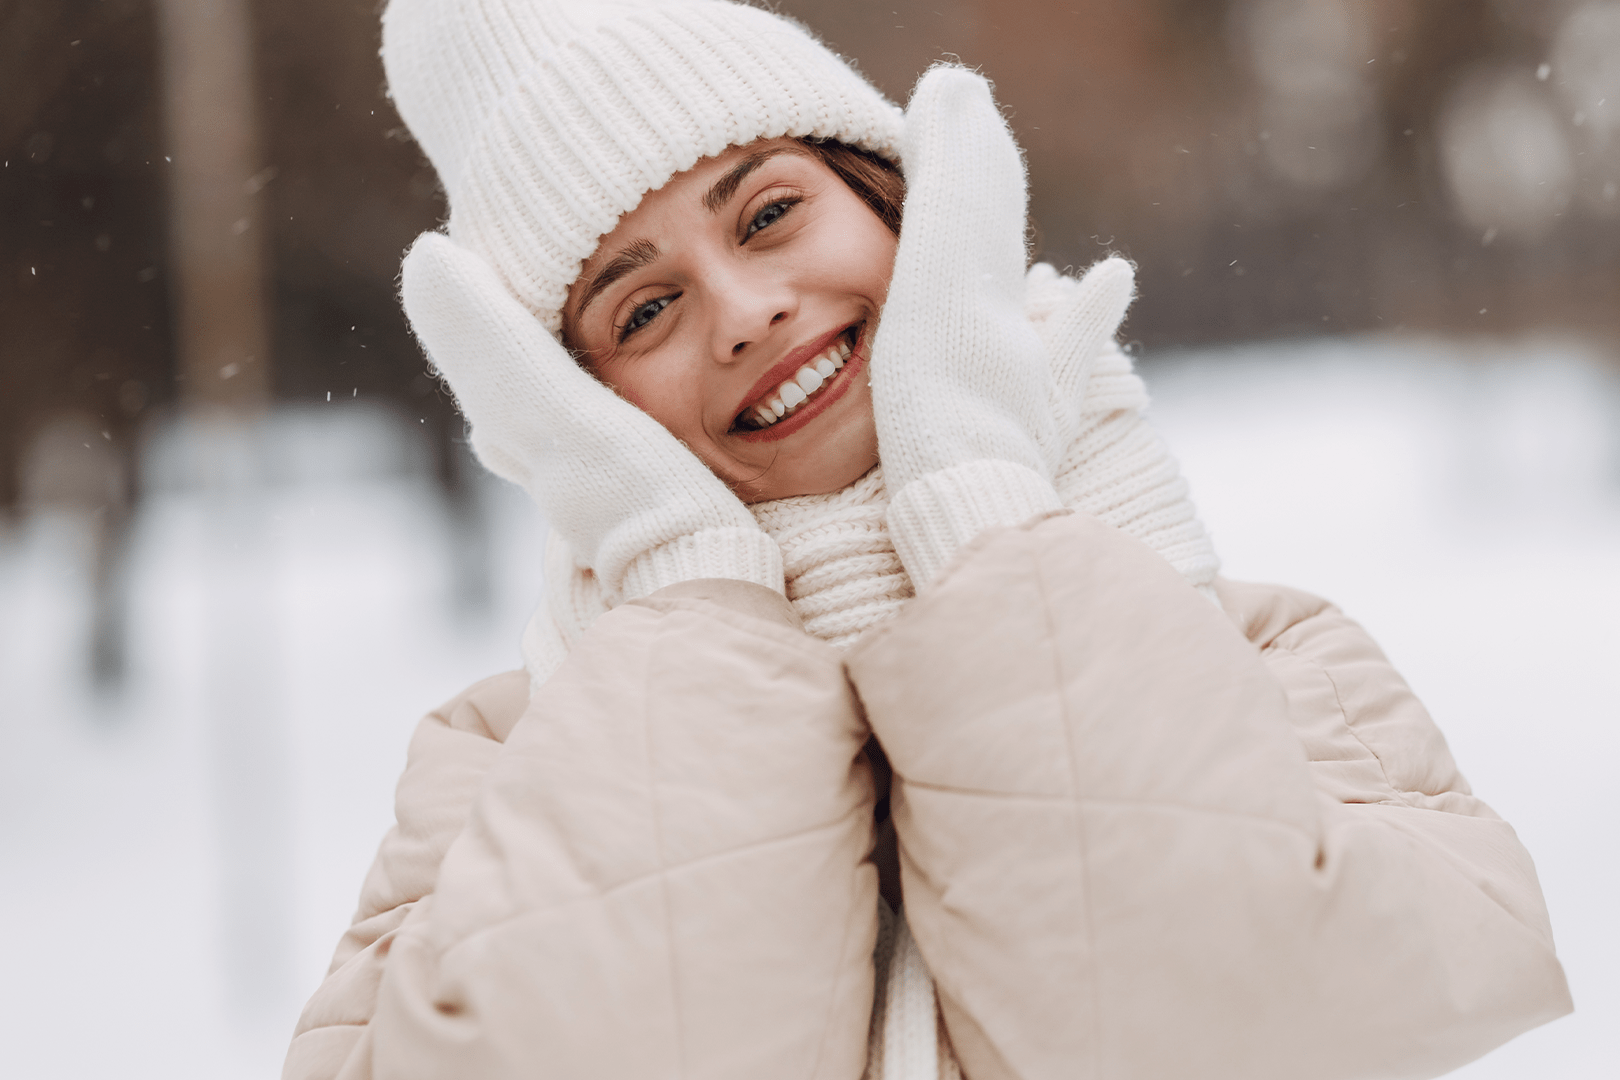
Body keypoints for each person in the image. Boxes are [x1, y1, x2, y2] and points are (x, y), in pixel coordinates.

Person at [282, 1, 1572, 1078]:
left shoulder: (1268, 656)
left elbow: (1254, 1019)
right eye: (645, 308)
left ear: (896, 201)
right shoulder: (497, 775)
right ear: (567, 406)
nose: (742, 312)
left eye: (770, 214)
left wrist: (979, 515)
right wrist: (689, 598)